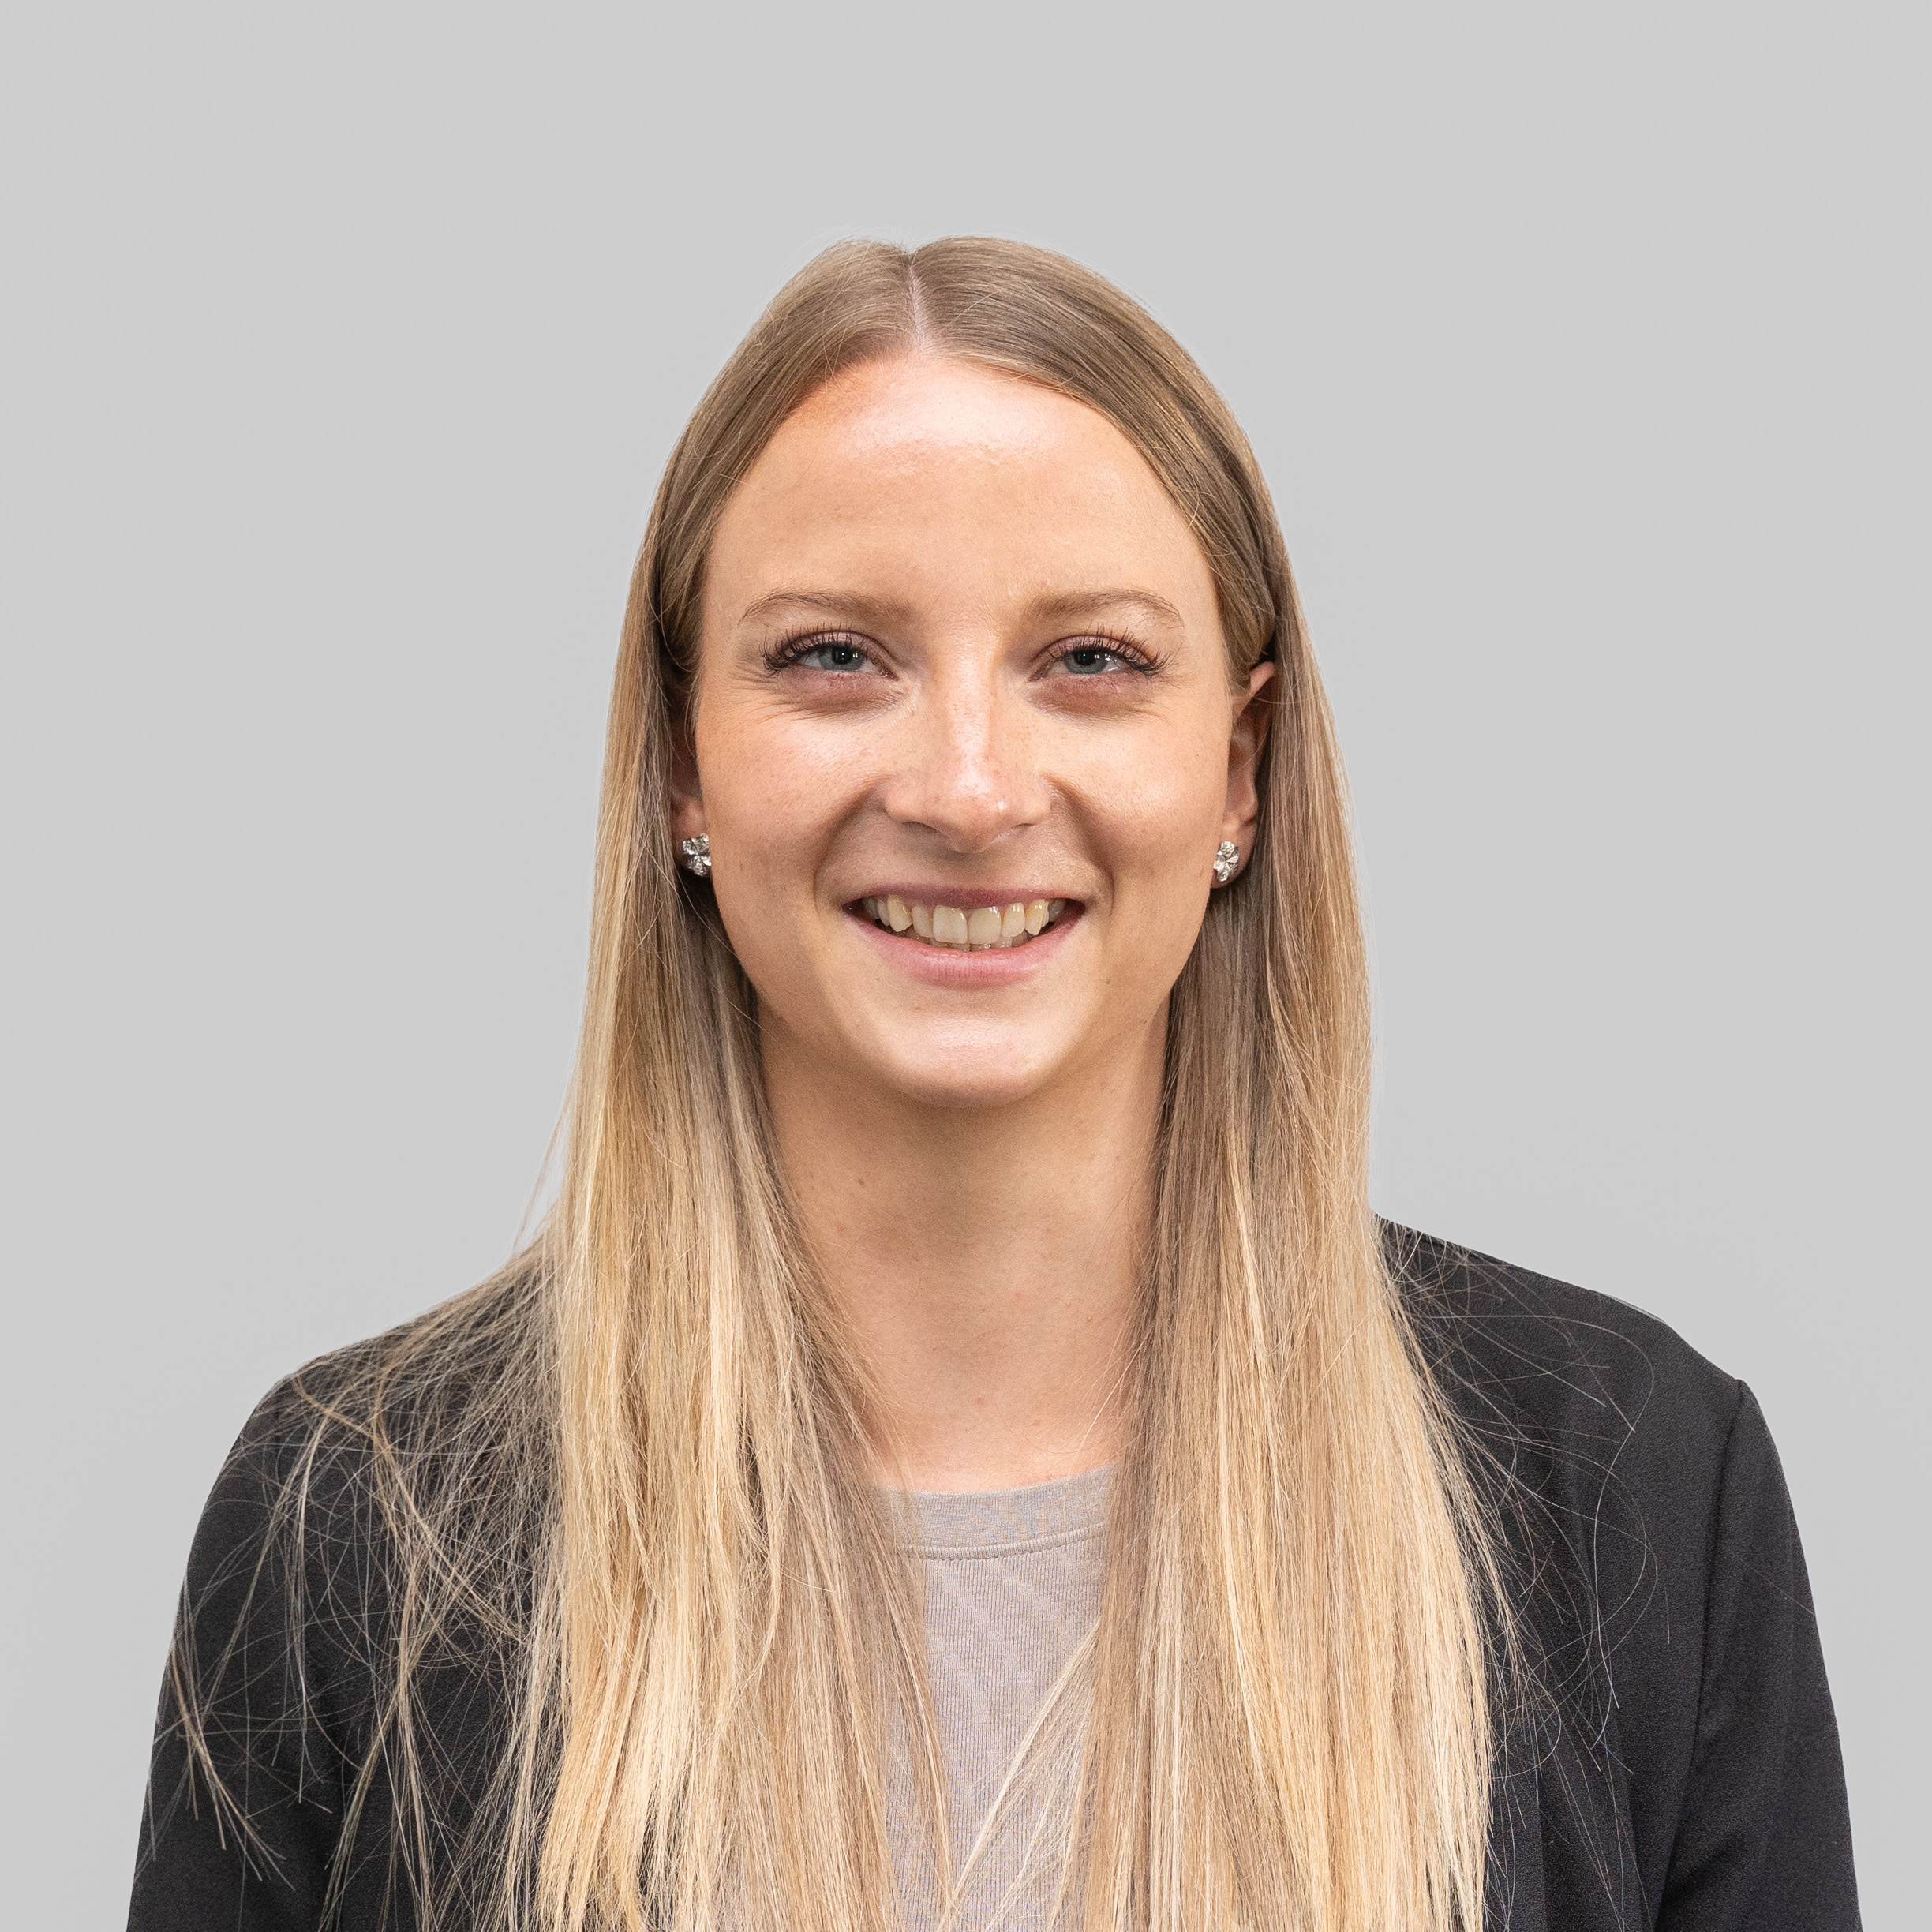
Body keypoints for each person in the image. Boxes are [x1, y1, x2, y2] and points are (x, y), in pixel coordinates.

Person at [126, 238, 1859, 1932]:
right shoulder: (354, 1524)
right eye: (834, 656)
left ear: (1238, 770)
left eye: (1090, 662)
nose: (967, 788)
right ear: (681, 767)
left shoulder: (1627, 1488)